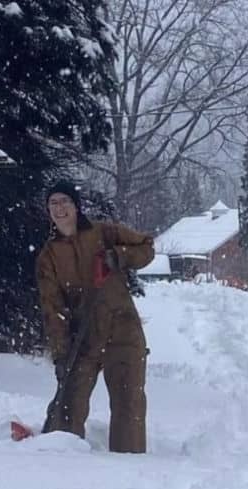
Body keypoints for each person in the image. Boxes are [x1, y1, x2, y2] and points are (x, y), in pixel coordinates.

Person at [36, 179, 154, 453]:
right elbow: (52, 310)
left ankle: (130, 467)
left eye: (64, 201)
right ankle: (62, 462)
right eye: (53, 203)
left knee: (129, 404)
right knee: (69, 404)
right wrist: (61, 355)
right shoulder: (48, 256)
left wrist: (119, 256)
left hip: (123, 331)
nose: (59, 208)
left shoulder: (104, 233)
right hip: (83, 338)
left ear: (76, 206)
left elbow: (147, 247)